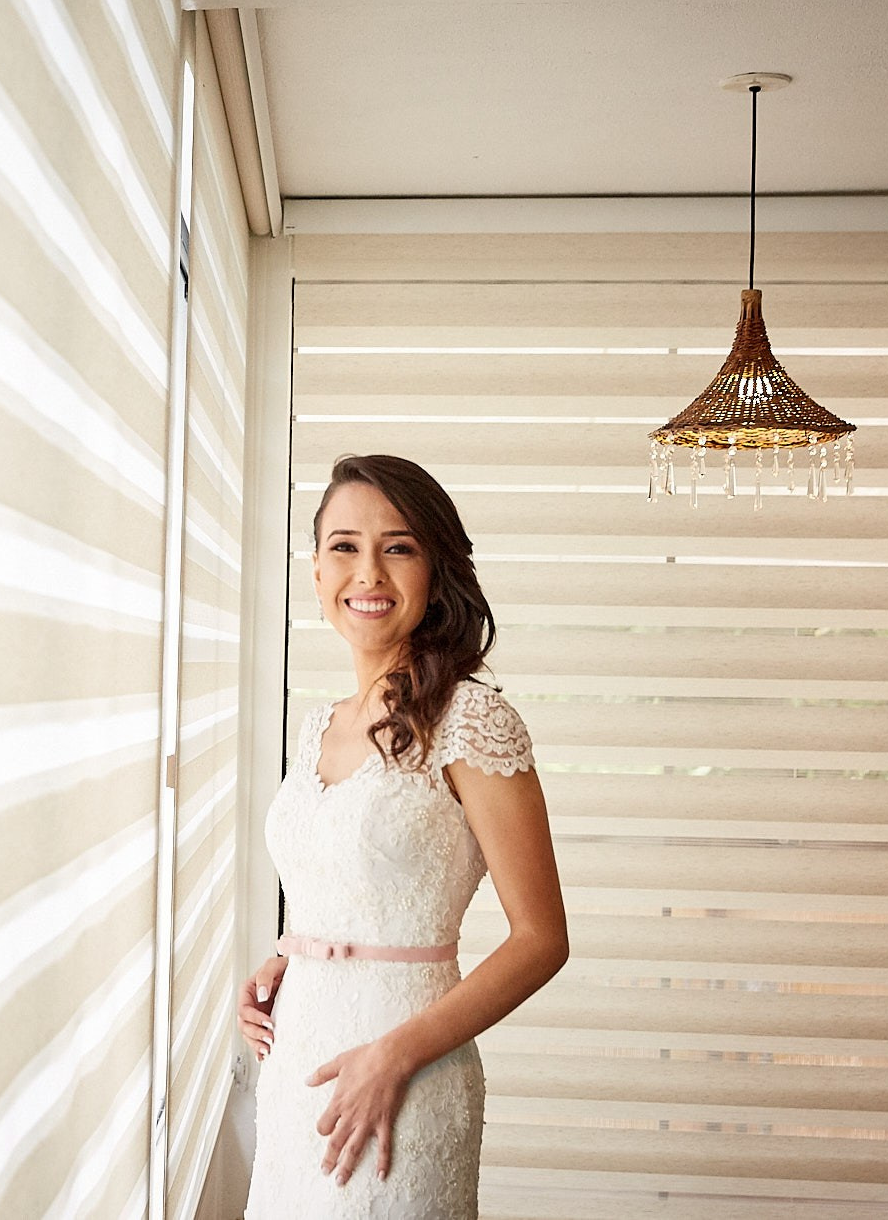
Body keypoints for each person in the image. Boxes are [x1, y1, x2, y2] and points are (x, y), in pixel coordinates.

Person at [237, 454, 567, 1218]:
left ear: (435, 569)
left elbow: (542, 937)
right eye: (345, 546)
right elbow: (341, 883)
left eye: (400, 546)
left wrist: (395, 1055)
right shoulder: (318, 725)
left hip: (406, 1076)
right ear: (317, 571)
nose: (369, 571)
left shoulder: (473, 720)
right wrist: (288, 954)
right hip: (297, 1070)